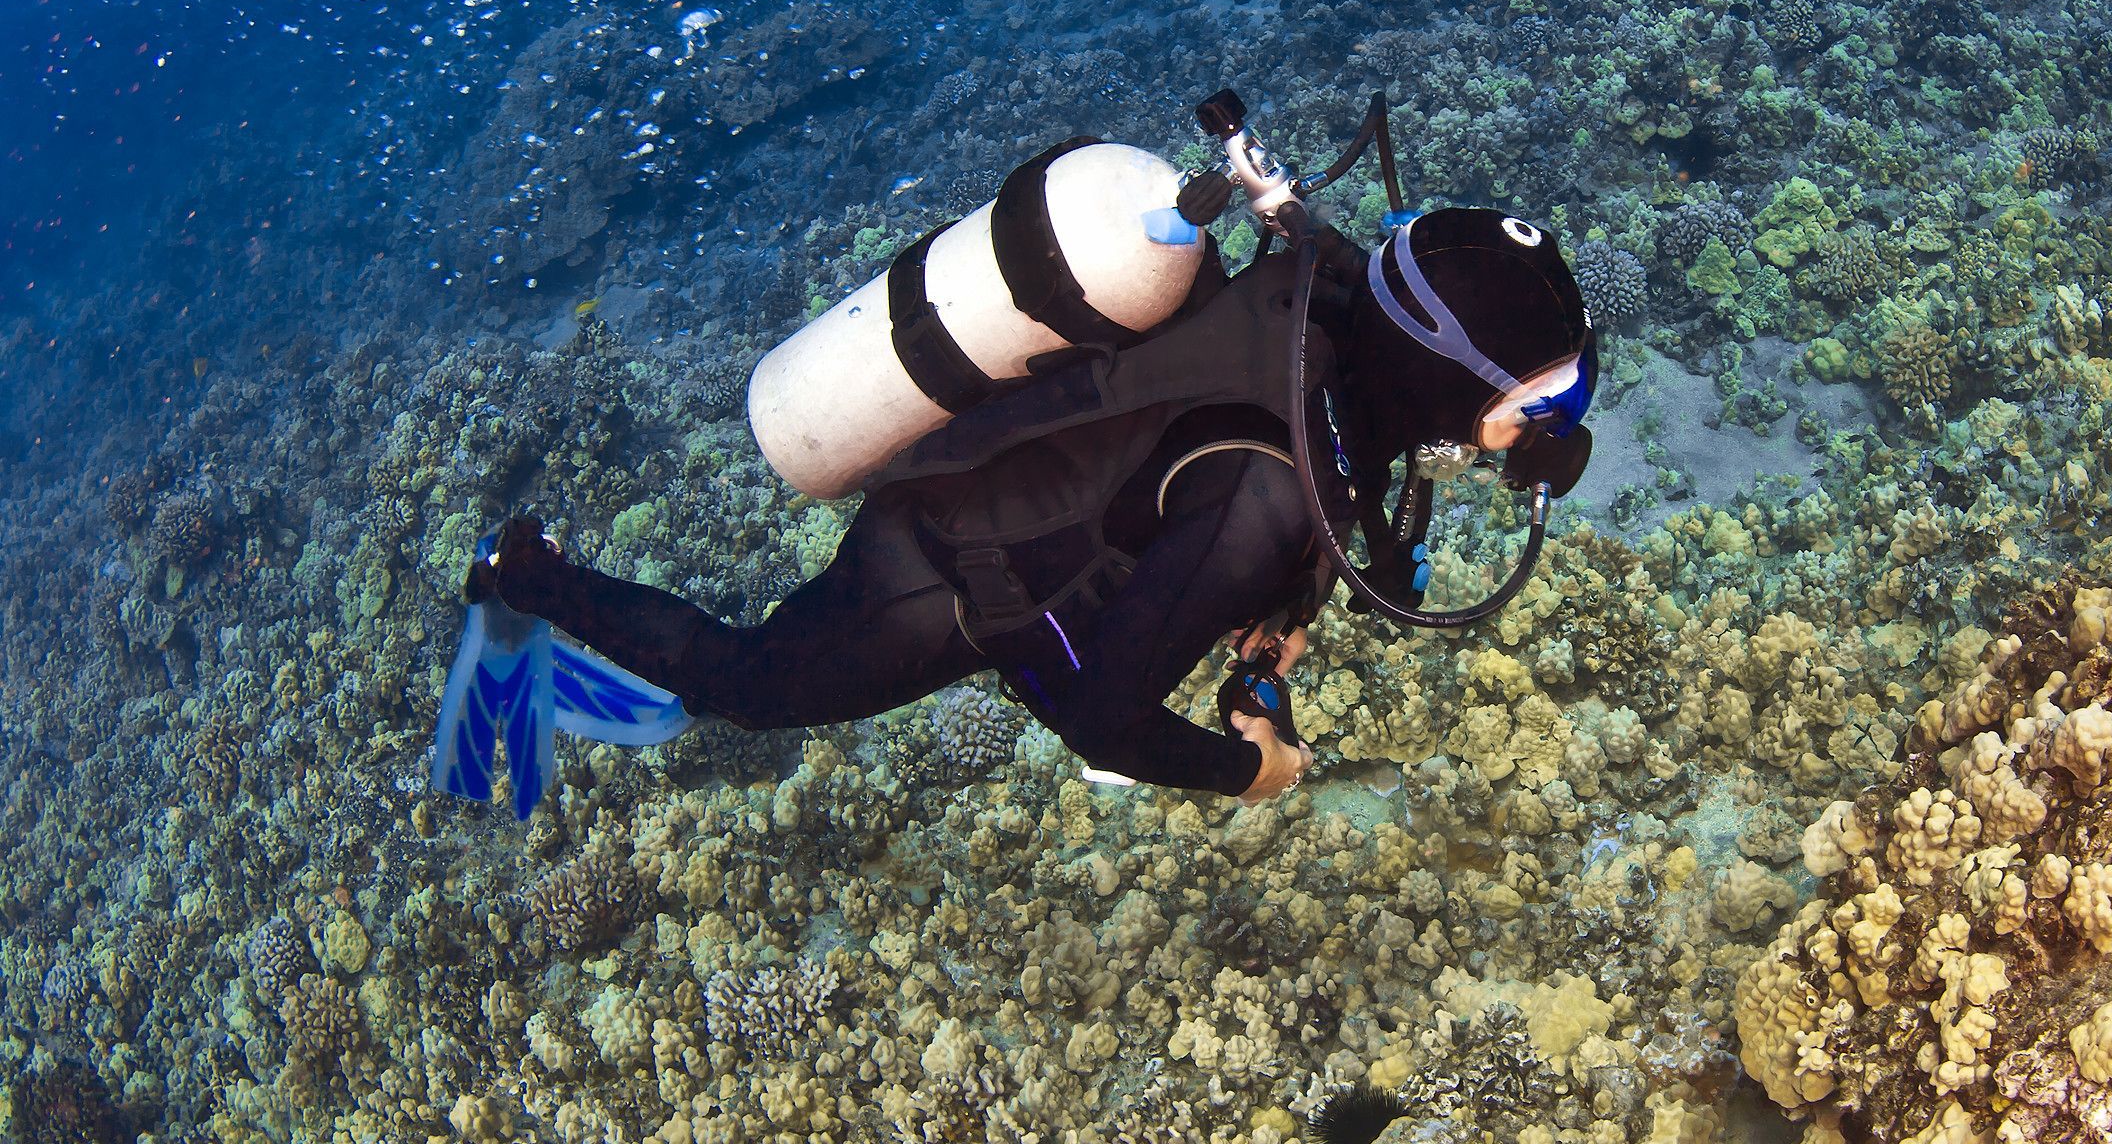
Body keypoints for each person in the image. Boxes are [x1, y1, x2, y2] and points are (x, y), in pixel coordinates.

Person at [450, 208, 1595, 808]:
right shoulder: (1266, 496)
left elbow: (1317, 508)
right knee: (741, 686)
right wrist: (1247, 771)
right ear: (1443, 375)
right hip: (944, 577)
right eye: (1546, 400)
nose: (1553, 431)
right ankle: (524, 574)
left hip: (1043, 510)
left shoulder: (1335, 306)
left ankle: (539, 580)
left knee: (765, 673)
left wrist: (1278, 620)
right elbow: (1100, 721)